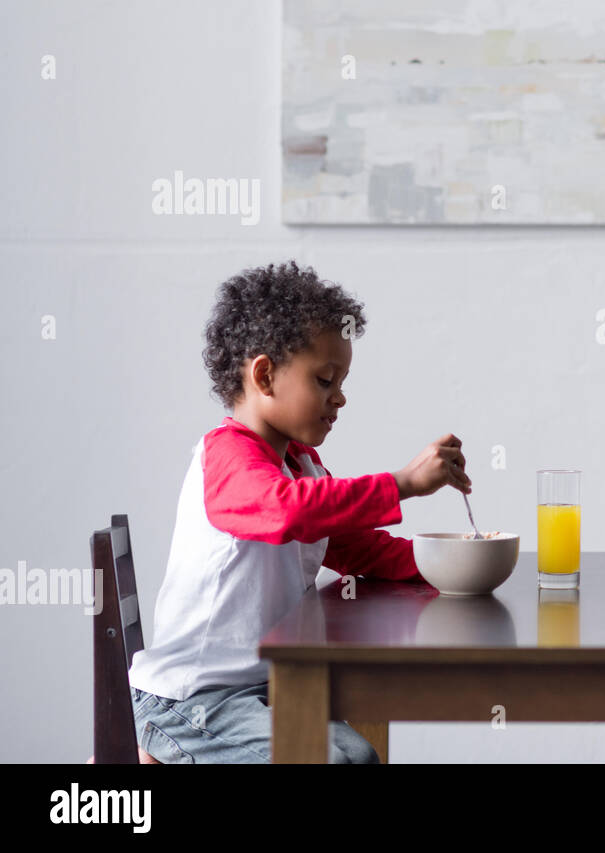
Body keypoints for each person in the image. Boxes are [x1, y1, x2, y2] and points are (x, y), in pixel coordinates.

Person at [128, 261, 471, 762]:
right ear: (265, 375)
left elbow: (354, 544)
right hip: (192, 700)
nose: (341, 397)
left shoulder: (301, 463)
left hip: (262, 688)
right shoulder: (227, 457)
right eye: (325, 380)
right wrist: (402, 484)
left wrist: (453, 565)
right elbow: (285, 513)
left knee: (358, 755)